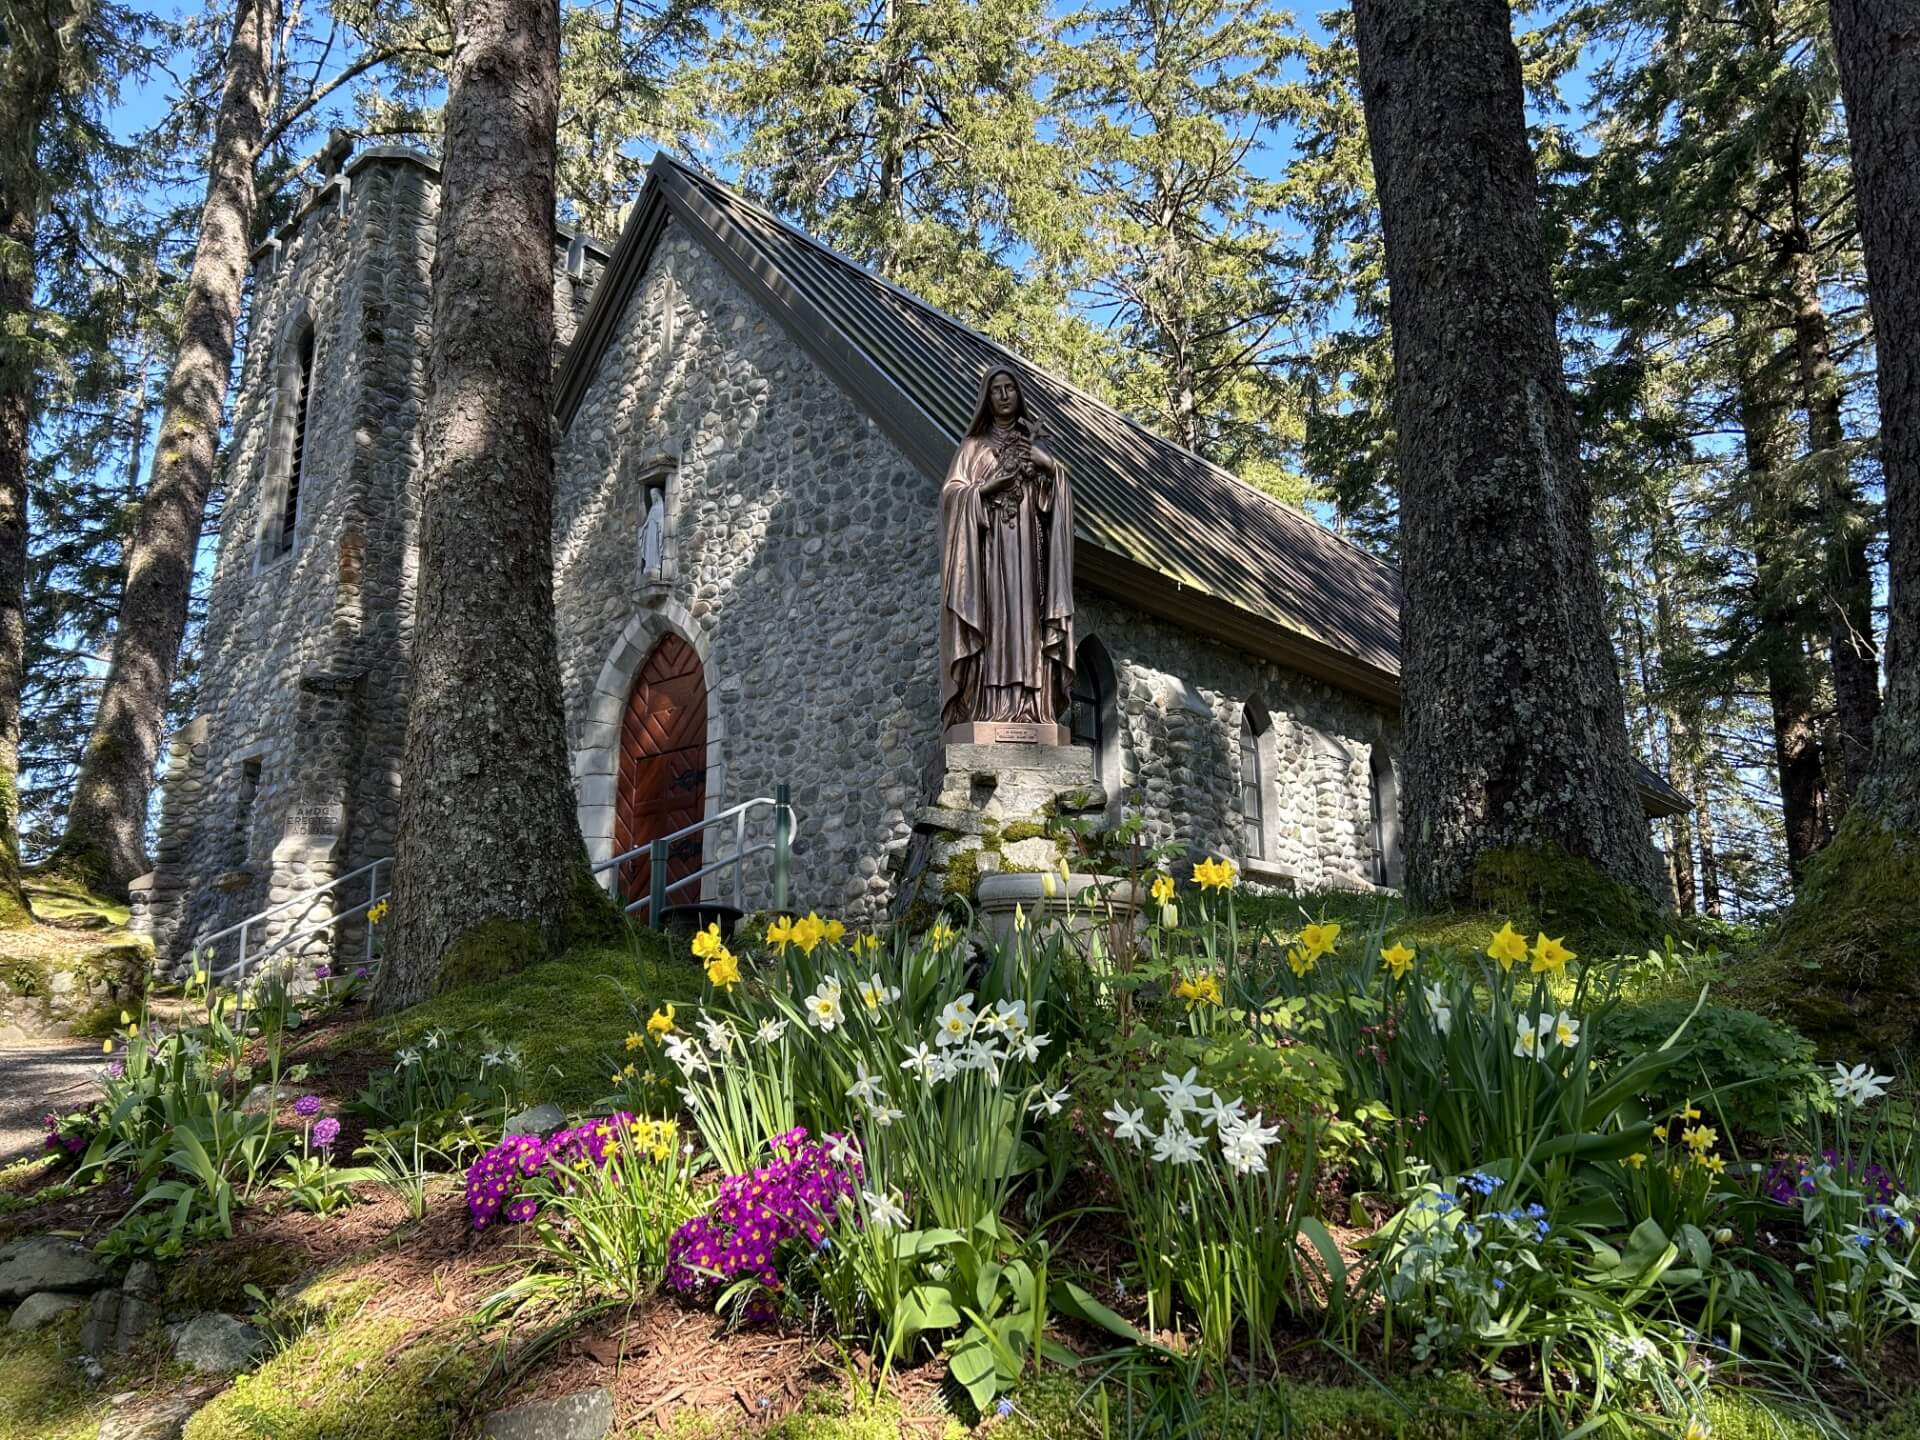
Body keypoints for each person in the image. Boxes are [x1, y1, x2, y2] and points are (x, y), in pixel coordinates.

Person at [938, 367, 1075, 729]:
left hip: (1030, 551)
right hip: (988, 553)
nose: (1002, 395)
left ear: (1018, 395)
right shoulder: (972, 449)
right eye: (996, 390)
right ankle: (988, 707)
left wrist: (1050, 468)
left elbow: (1054, 503)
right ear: (987, 398)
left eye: (1009, 388)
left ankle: (1032, 705)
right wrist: (985, 489)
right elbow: (952, 495)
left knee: (1026, 620)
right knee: (996, 620)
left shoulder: (1033, 446)